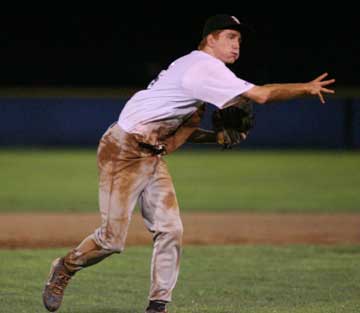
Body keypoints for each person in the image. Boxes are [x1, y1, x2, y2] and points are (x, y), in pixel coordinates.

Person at [42, 14, 335, 313]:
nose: (237, 46)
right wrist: (306, 87)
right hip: (123, 150)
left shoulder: (195, 67)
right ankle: (64, 268)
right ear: (210, 39)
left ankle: (158, 306)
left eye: (240, 40)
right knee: (110, 241)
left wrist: (214, 139)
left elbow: (176, 127)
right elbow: (261, 95)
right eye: (230, 37)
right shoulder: (204, 67)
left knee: (170, 229)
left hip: (150, 152)